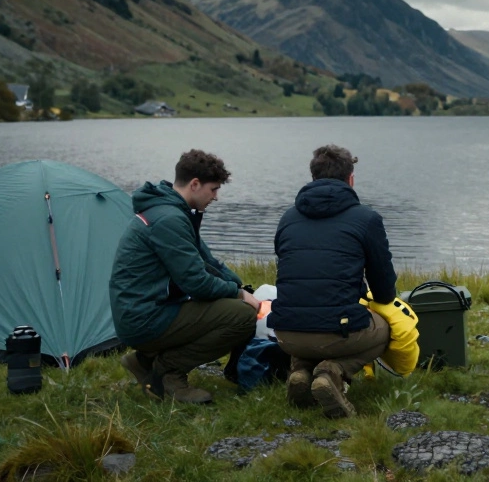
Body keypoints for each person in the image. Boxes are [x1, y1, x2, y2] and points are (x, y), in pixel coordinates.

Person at [109, 150, 260, 404]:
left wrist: (241, 287)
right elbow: (197, 282)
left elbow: (208, 262)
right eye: (213, 190)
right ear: (195, 184)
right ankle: (168, 372)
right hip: (143, 316)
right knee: (242, 317)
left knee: (237, 302)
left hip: (148, 308)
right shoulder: (169, 219)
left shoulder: (170, 211)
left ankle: (144, 360)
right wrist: (239, 295)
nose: (216, 197)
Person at [269, 145, 397, 417]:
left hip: (284, 335)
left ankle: (301, 371)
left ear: (313, 178)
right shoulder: (366, 219)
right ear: (350, 178)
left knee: (311, 314)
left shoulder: (287, 218)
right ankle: (333, 373)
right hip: (335, 333)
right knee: (384, 329)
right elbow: (385, 292)